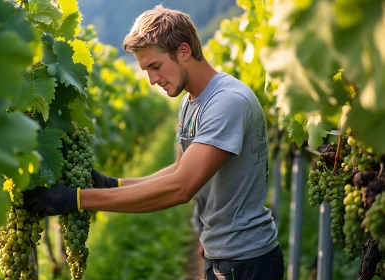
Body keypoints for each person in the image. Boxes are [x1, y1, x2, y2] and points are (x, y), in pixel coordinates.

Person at [24, 5, 284, 280]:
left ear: (184, 51)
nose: (151, 80)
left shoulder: (227, 102)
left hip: (248, 262)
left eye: (155, 66)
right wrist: (115, 184)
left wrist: (77, 200)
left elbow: (180, 187)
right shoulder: (191, 101)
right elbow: (180, 168)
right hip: (224, 253)